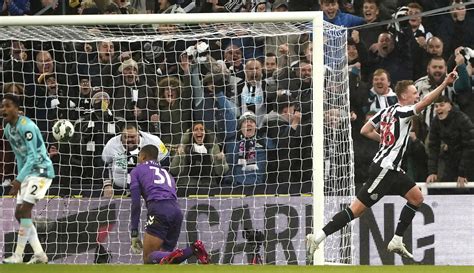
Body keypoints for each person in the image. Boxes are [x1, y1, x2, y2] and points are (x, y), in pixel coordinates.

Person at [306, 68, 458, 262]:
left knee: (416, 197)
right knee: (357, 210)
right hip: (384, 169)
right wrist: (445, 84)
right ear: (404, 96)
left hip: (393, 169)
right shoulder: (403, 111)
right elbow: (426, 102)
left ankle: (397, 239)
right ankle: (318, 237)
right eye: (414, 93)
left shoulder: (386, 111)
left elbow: (365, 129)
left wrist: (386, 142)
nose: (417, 96)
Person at [129, 145, 209, 264]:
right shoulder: (167, 173)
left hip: (158, 208)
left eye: (139, 156)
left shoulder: (137, 170)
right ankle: (193, 249)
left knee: (148, 257)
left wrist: (134, 232)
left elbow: (135, 203)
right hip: (176, 211)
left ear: (143, 156)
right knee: (166, 260)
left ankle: (188, 250)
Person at [2, 93, 55, 264]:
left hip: (41, 171)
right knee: (19, 213)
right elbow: (19, 156)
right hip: (28, 174)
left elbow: (32, 157)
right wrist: (20, 178)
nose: (4, 109)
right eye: (2, 106)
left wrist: (18, 180)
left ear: (17, 109)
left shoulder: (27, 127)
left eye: (8, 106)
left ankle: (18, 255)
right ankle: (39, 254)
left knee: (24, 210)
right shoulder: (8, 129)